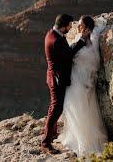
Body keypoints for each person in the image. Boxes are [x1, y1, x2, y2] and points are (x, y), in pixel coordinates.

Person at [57, 16, 108, 157]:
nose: (78, 27)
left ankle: (85, 144)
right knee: (73, 110)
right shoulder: (78, 39)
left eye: (80, 25)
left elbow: (95, 63)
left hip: (82, 83)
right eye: (78, 25)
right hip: (75, 81)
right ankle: (76, 139)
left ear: (87, 28)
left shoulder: (91, 44)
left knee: (82, 112)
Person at [41, 14, 90, 154]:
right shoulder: (55, 40)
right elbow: (69, 55)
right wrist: (81, 39)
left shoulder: (52, 34)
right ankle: (45, 143)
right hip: (57, 79)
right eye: (69, 25)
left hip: (54, 76)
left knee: (54, 107)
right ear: (63, 26)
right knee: (57, 108)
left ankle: (52, 133)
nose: (70, 28)